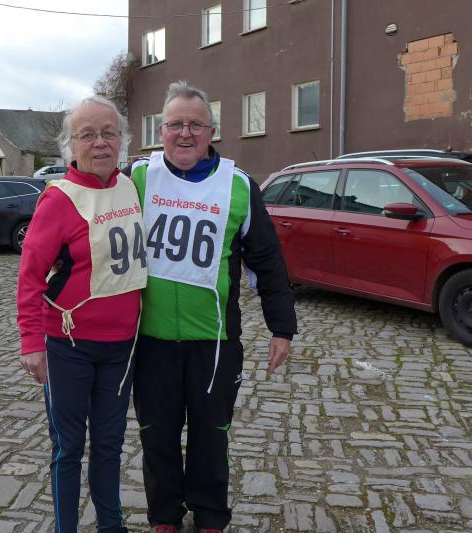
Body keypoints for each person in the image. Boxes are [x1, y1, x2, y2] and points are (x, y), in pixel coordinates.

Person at [127, 81, 298, 532]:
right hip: (151, 340)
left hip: (215, 341)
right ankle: (165, 515)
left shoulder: (238, 186)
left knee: (210, 434)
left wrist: (282, 327)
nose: (185, 133)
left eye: (195, 125)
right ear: (160, 132)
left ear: (211, 131)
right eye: (175, 124)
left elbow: (267, 261)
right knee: (157, 434)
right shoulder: (137, 178)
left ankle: (210, 515)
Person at [16, 95, 147, 533]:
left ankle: (111, 525)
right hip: (68, 347)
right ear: (70, 145)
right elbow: (30, 277)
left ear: (122, 140)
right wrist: (31, 342)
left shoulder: (129, 186)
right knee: (68, 448)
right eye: (87, 135)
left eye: (109, 133)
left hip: (121, 348)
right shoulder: (58, 200)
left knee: (109, 445)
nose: (100, 142)